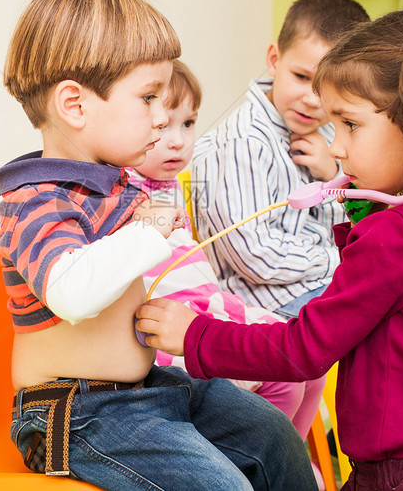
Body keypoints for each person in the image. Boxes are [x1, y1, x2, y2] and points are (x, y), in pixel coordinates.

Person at [137, 7, 403, 490]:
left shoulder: (396, 238)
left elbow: (303, 350)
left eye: (350, 126)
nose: (335, 148)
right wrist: (360, 210)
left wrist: (196, 336)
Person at [0, 0, 316, 491]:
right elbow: (71, 293)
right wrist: (148, 231)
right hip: (71, 414)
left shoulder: (108, 182)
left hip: (143, 389)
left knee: (274, 437)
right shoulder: (36, 198)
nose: (162, 117)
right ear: (75, 105)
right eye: (148, 98)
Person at [125, 59, 326, 444]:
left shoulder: (167, 184)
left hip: (207, 304)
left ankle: (290, 460)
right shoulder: (125, 186)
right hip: (170, 324)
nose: (179, 141)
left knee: (309, 360)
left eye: (188, 124)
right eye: (162, 125)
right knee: (284, 378)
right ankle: (264, 461)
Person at [192, 0, 369, 319]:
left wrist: (333, 177)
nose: (313, 100)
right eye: (302, 78)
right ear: (274, 59)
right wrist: (340, 258)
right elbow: (254, 256)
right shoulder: (243, 142)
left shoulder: (330, 132)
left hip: (319, 279)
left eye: (329, 87)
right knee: (370, 321)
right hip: (264, 298)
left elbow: (352, 222)